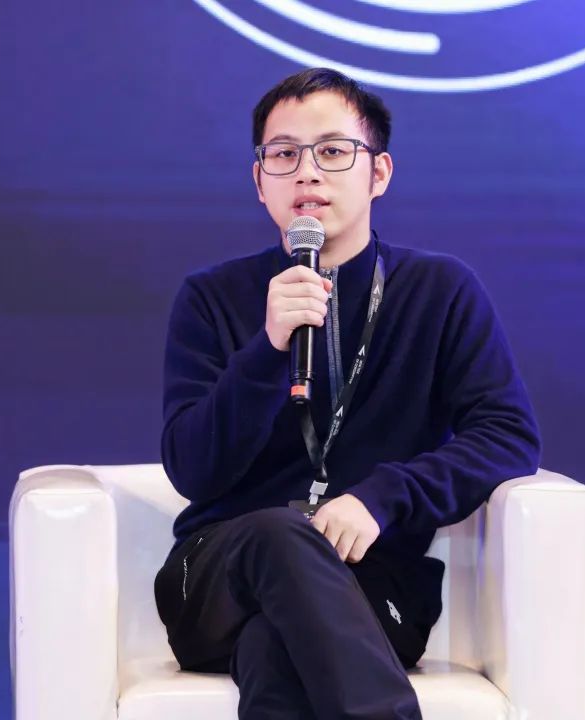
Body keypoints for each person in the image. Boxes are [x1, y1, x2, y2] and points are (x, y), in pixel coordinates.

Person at [154, 67, 541, 720]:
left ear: (378, 173)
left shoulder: (440, 291)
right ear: (260, 182)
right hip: (216, 577)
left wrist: (382, 497)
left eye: (333, 151)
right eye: (284, 155)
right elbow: (193, 469)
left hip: (372, 582)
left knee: (275, 651)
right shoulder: (211, 298)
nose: (307, 173)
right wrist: (267, 350)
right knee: (278, 534)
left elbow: (507, 436)